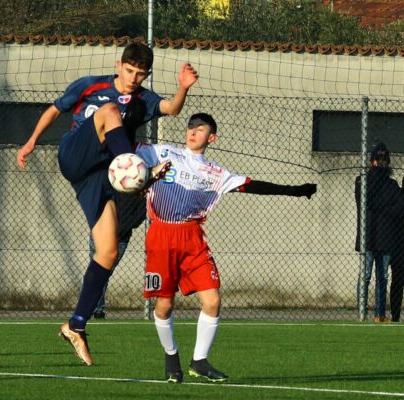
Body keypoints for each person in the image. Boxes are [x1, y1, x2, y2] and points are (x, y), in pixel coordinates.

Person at [16, 42, 198, 365]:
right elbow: (55, 109)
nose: (133, 79)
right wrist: (31, 142)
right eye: (129, 71)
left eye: (140, 74)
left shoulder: (143, 99)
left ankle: (76, 324)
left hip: (99, 173)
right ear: (119, 65)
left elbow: (171, 108)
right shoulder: (92, 85)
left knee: (108, 251)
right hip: (74, 154)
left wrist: (182, 88)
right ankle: (138, 172)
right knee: (110, 111)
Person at [135, 113, 317, 383]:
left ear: (212, 138)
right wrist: (144, 176)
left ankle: (199, 361)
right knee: (164, 306)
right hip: (161, 234)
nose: (193, 132)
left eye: (200, 129)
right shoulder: (162, 152)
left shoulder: (217, 173)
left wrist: (294, 190)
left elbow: (252, 185)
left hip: (193, 237)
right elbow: (126, 151)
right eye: (191, 127)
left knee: (213, 300)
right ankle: (171, 356)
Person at [355, 142, 399, 323]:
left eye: (384, 160)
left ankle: (380, 314)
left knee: (383, 277)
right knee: (365, 275)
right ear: (372, 161)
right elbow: (364, 202)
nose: (381, 164)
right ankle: (362, 312)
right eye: (378, 160)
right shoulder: (362, 181)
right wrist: (385, 204)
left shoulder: (392, 184)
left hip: (386, 237)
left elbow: (399, 208)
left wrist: (379, 206)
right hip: (368, 236)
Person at [89, 193, 147, 319]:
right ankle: (95, 308)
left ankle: (96, 308)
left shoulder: (140, 191)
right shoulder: (109, 183)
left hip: (120, 237)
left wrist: (124, 226)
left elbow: (140, 215)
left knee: (101, 273)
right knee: (96, 272)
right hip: (100, 231)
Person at [389, 176, 404, 323]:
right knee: (397, 281)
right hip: (398, 246)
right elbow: (395, 212)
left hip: (397, 245)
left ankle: (395, 315)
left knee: (397, 281)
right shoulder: (398, 196)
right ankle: (395, 315)